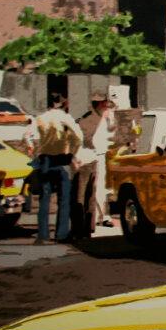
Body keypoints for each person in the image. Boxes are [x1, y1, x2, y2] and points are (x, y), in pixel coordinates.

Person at [25, 92, 82, 244]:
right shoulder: (66, 118)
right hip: (62, 160)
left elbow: (28, 135)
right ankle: (61, 234)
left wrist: (32, 150)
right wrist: (73, 152)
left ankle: (43, 234)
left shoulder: (40, 118)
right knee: (64, 199)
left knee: (44, 199)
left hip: (45, 160)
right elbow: (78, 136)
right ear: (62, 103)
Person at [76, 92, 116, 232]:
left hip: (102, 154)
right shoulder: (90, 119)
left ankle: (99, 216)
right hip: (94, 156)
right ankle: (101, 217)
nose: (107, 106)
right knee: (97, 187)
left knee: (100, 187)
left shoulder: (103, 118)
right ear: (98, 104)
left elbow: (109, 136)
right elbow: (88, 139)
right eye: (104, 103)